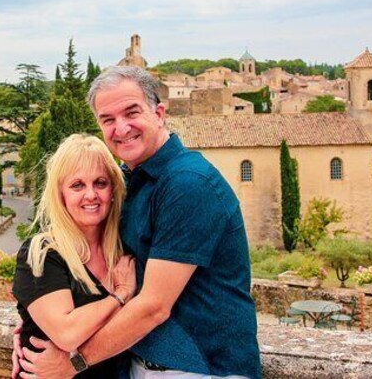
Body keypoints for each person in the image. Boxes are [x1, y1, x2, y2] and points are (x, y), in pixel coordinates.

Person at [18, 66, 261, 379]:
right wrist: (35, 329)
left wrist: (72, 363)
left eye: (131, 112)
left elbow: (153, 307)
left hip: (199, 370)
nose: (121, 128)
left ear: (158, 113)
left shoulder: (187, 184)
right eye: (108, 120)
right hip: (147, 367)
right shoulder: (136, 182)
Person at [13, 134, 138, 379]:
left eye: (100, 183)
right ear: (60, 194)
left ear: (113, 190)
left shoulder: (123, 250)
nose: (91, 194)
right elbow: (67, 333)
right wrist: (120, 295)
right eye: (77, 185)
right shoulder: (42, 253)